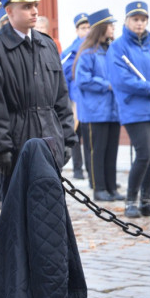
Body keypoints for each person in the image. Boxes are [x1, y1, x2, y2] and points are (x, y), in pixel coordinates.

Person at [0, 0, 76, 201]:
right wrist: (0, 147)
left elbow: (61, 96)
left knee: (49, 209)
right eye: (26, 7)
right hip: (17, 141)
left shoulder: (47, 44)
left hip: (49, 137)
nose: (34, 11)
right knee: (17, 213)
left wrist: (68, 138)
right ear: (9, 12)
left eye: (35, 6)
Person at [107, 1, 150, 219]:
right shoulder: (118, 47)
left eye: (143, 19)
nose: (139, 23)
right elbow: (121, 79)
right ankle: (130, 201)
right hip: (135, 108)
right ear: (127, 21)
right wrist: (149, 88)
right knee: (143, 153)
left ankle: (146, 202)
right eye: (135, 19)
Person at [72, 9, 122, 202]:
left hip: (112, 110)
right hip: (95, 111)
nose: (113, 28)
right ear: (102, 28)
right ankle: (99, 188)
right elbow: (83, 80)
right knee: (97, 152)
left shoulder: (111, 50)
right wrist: (107, 84)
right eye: (110, 25)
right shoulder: (87, 52)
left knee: (111, 151)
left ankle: (111, 187)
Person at [62, 12, 91, 181]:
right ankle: (77, 169)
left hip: (90, 102)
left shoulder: (96, 48)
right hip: (74, 101)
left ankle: (90, 168)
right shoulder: (69, 52)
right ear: (77, 30)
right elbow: (63, 78)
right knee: (75, 136)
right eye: (83, 28)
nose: (86, 31)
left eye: (88, 27)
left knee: (89, 139)